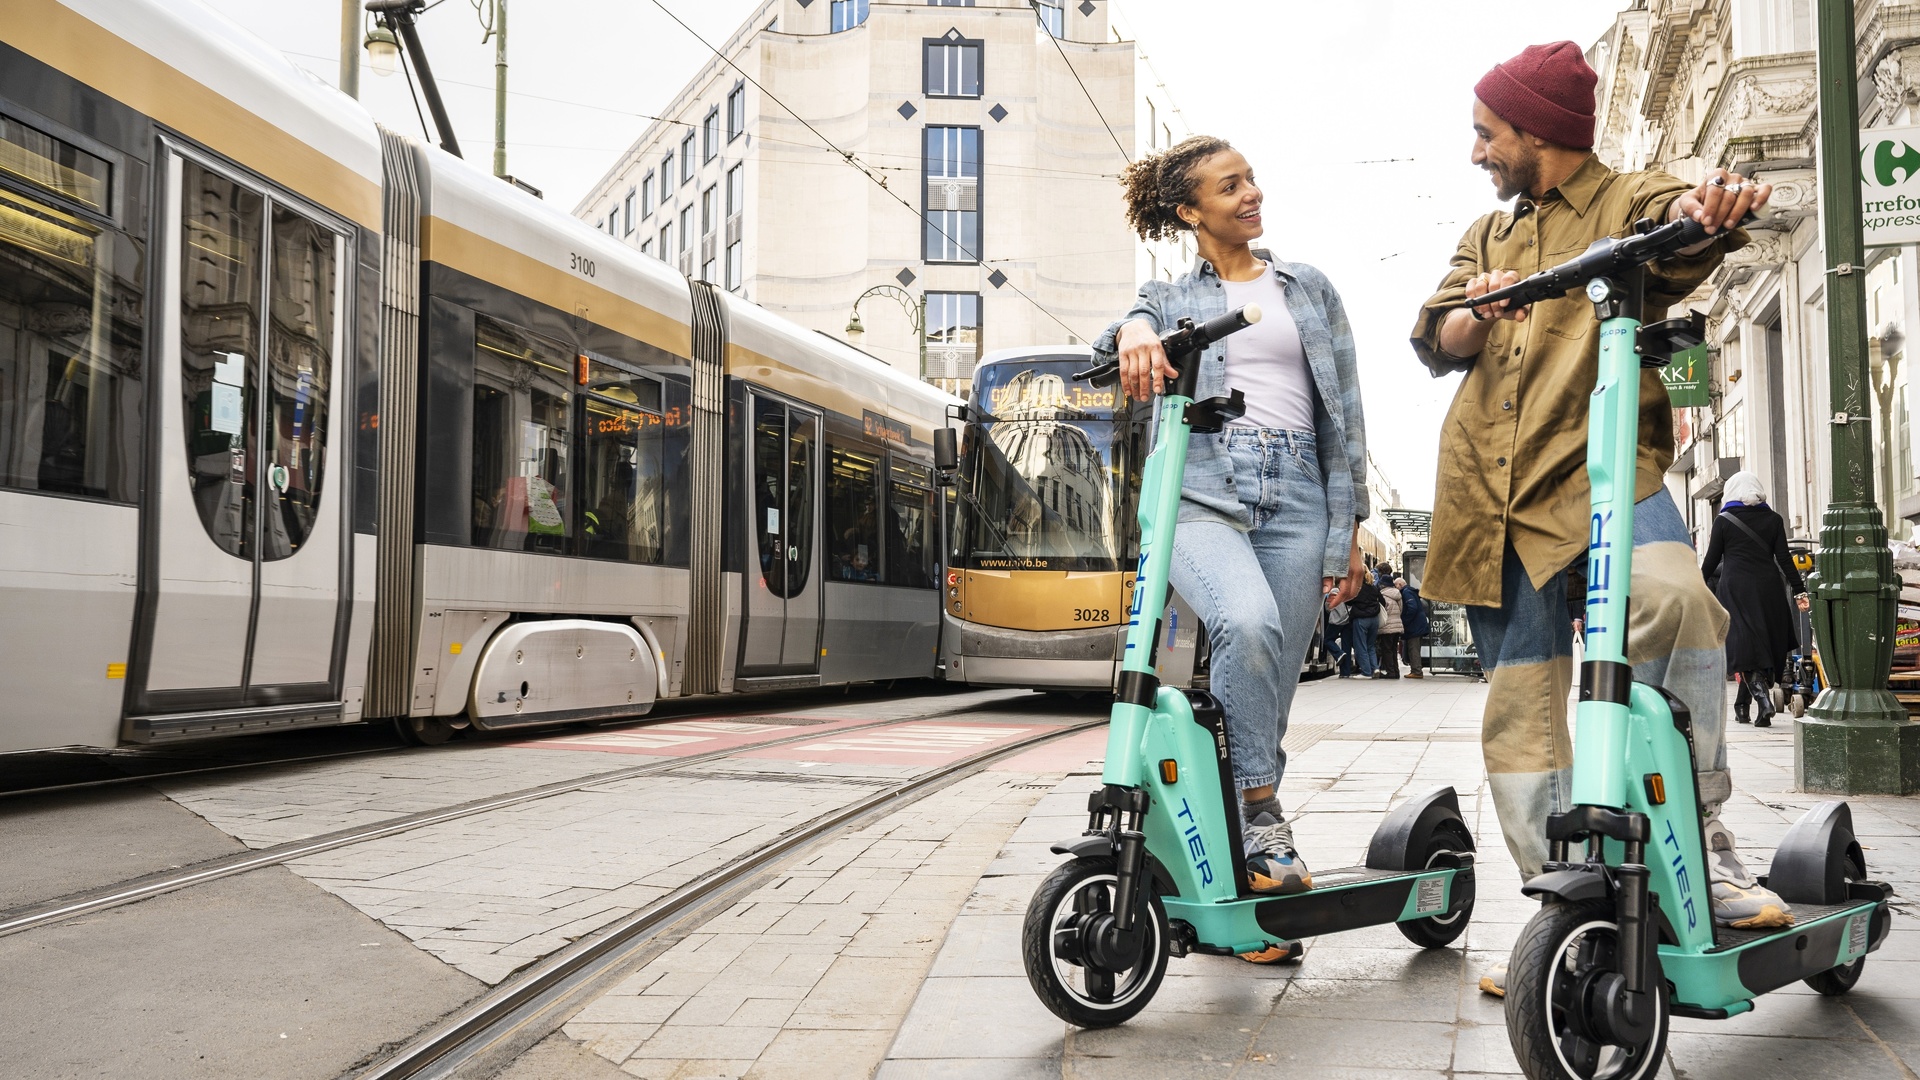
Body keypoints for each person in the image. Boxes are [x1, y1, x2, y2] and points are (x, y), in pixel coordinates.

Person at [1408, 42, 1793, 995]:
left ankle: (1698, 837)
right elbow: (1440, 328)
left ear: (1538, 131)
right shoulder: (1490, 234)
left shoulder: (1624, 200)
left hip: (1605, 477)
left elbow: (1678, 214)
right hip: (1490, 496)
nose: (1476, 153)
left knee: (1681, 606)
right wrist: (1474, 315)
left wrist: (1705, 208)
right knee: (1524, 715)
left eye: (1486, 134)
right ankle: (1566, 907)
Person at [1099, 134, 1369, 943]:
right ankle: (1262, 816)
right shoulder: (1166, 296)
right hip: (1202, 490)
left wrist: (1348, 526)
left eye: (1251, 178)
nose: (1252, 193)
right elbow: (1130, 324)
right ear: (1190, 211)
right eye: (1230, 186)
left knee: (1272, 689)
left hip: (1299, 494)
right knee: (1247, 623)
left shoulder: (1308, 288)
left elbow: (1344, 414)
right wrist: (1133, 333)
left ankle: (1240, 864)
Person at [1700, 472, 1809, 728]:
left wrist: (1694, 587)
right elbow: (1784, 559)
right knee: (1763, 646)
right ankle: (1742, 707)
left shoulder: (1724, 520)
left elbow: (1711, 561)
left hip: (1736, 589)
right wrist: (1799, 590)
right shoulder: (1773, 519)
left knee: (1744, 648)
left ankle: (1763, 701)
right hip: (1769, 589)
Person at [1348, 574, 1383, 677]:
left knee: (1360, 646)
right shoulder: (1374, 588)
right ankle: (1375, 668)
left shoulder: (1357, 589)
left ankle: (1366, 672)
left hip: (1361, 619)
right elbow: (1383, 601)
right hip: (1374, 619)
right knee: (1371, 645)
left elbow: (1349, 602)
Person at [1398, 576, 1429, 679]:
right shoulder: (1410, 591)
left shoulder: (1406, 592)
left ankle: (1416, 671)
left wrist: (1405, 620)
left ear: (1400, 585)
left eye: (1395, 586)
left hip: (1414, 625)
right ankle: (1415, 669)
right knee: (1414, 648)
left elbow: (1412, 607)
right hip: (1418, 624)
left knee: (1413, 648)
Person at [1377, 576, 1404, 679]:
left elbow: (1382, 611)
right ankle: (1396, 672)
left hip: (1387, 626)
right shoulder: (1397, 594)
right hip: (1397, 625)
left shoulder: (1382, 595)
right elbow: (1401, 609)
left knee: (1387, 650)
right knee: (1393, 649)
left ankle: (1390, 672)